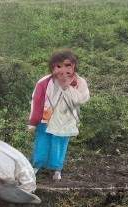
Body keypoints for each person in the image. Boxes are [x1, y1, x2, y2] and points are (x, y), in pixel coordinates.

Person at [28, 49, 90, 180]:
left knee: (60, 144)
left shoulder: (79, 82)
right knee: (42, 142)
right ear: (52, 67)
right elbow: (37, 101)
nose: (63, 70)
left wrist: (67, 87)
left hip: (65, 120)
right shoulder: (44, 81)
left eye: (68, 65)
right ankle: (36, 166)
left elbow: (82, 99)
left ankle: (56, 169)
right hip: (46, 118)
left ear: (74, 66)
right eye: (59, 66)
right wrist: (33, 121)